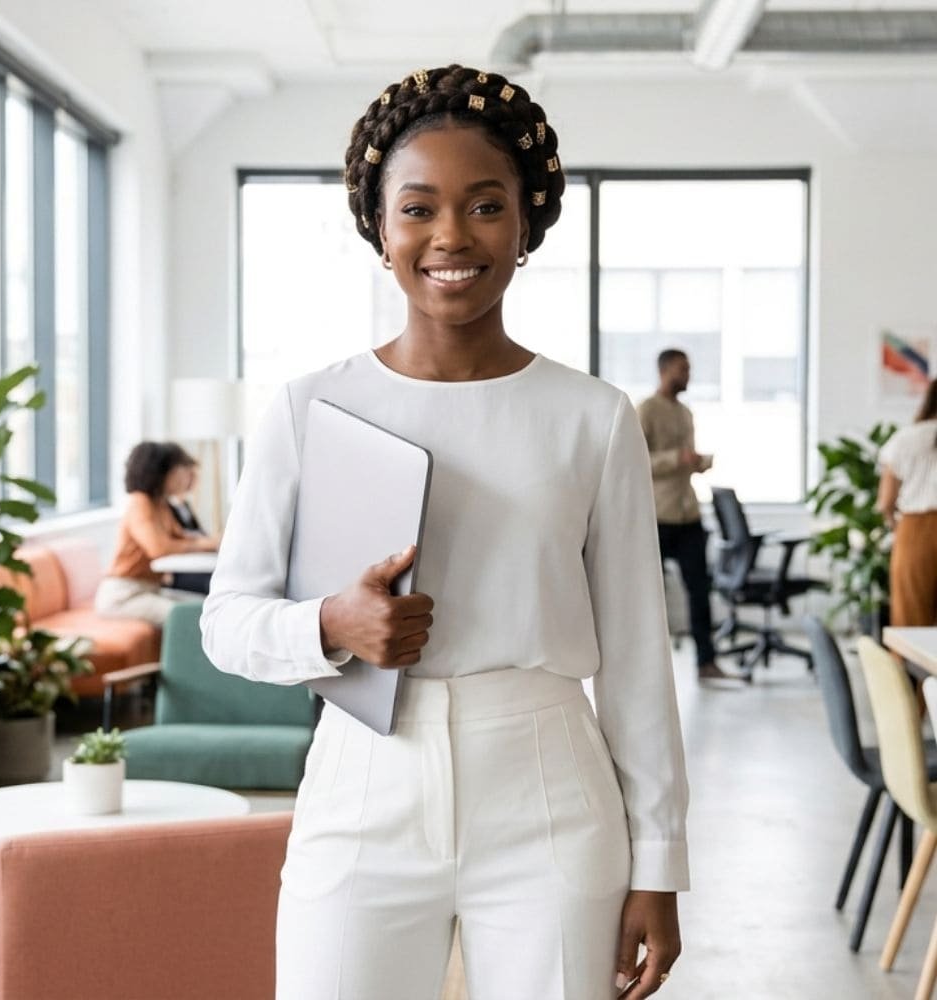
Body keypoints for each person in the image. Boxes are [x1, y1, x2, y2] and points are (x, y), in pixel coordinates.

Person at [201, 65, 688, 1000]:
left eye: (485, 206)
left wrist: (659, 860)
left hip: (548, 782)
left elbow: (634, 655)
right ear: (379, 228)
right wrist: (330, 627)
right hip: (361, 773)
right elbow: (229, 621)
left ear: (527, 223)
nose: (451, 237)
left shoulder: (592, 416)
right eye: (418, 208)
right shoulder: (310, 407)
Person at [637, 349, 730, 683]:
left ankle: (707, 662)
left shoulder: (686, 413)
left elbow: (685, 461)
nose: (688, 375)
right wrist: (676, 458)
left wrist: (699, 461)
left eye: (689, 369)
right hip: (657, 517)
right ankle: (646, 668)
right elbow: (635, 462)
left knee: (699, 590)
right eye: (683, 369)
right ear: (665, 370)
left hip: (688, 514)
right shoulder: (646, 410)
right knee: (647, 594)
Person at [95, 441, 219, 626]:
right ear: (162, 472)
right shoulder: (140, 503)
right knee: (191, 618)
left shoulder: (161, 504)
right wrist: (207, 543)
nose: (185, 477)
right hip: (124, 595)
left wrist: (214, 542)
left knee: (210, 609)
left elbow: (182, 539)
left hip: (150, 590)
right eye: (180, 470)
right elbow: (159, 548)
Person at [878, 377, 937, 627]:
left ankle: (911, 667)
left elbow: (885, 502)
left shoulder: (906, 438)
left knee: (911, 619)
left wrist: (896, 526)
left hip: (916, 530)